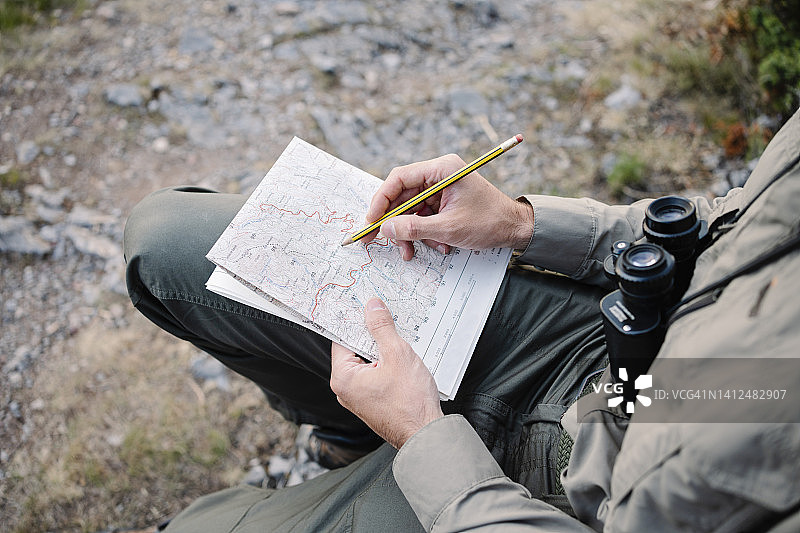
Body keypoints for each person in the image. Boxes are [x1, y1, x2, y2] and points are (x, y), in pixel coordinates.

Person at [123, 108, 800, 532]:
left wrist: (424, 440)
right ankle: (350, 435)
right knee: (165, 242)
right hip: (589, 340)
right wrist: (523, 222)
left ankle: (380, 444)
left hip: (546, 502)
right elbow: (733, 218)